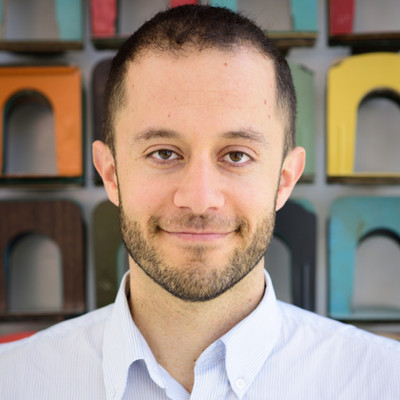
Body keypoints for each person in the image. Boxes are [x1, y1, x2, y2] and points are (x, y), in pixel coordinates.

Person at [1, 5, 399, 399]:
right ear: (111, 173)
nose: (199, 199)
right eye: (163, 153)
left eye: (237, 155)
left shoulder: (384, 381)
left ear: (284, 180)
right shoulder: (12, 381)